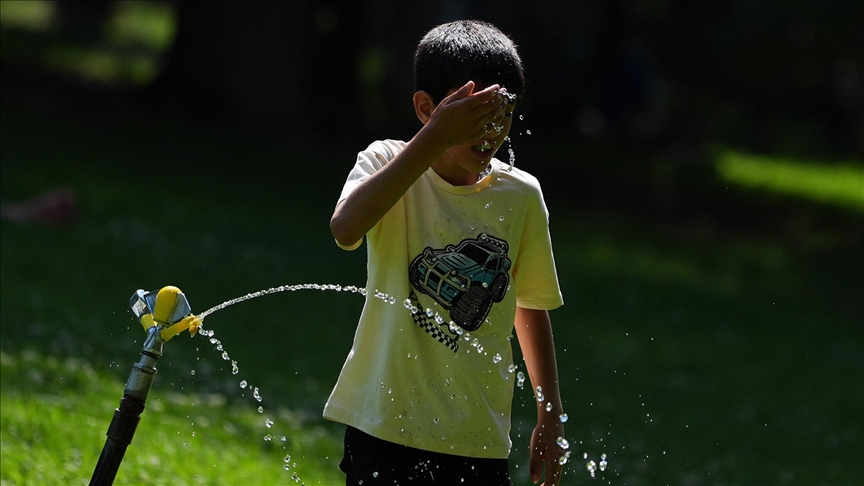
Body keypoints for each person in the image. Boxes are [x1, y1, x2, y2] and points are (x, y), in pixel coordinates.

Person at [326, 20, 566, 486]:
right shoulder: (385, 163)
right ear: (426, 108)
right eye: (472, 115)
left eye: (504, 114)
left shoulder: (520, 196)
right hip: (383, 422)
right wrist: (434, 138)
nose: (491, 130)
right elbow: (345, 227)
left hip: (476, 435)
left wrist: (549, 412)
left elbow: (530, 305)